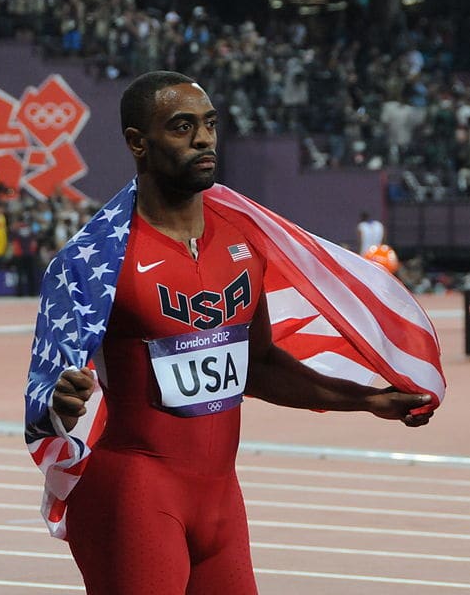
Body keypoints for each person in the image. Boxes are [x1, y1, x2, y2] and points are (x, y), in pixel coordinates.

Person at [24, 71, 445, 595]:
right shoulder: (95, 261)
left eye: (209, 124)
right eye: (181, 127)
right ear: (138, 143)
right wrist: (60, 406)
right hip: (134, 494)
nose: (203, 139)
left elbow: (259, 365)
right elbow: (46, 389)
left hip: (221, 500)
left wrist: (368, 399)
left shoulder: (243, 238)